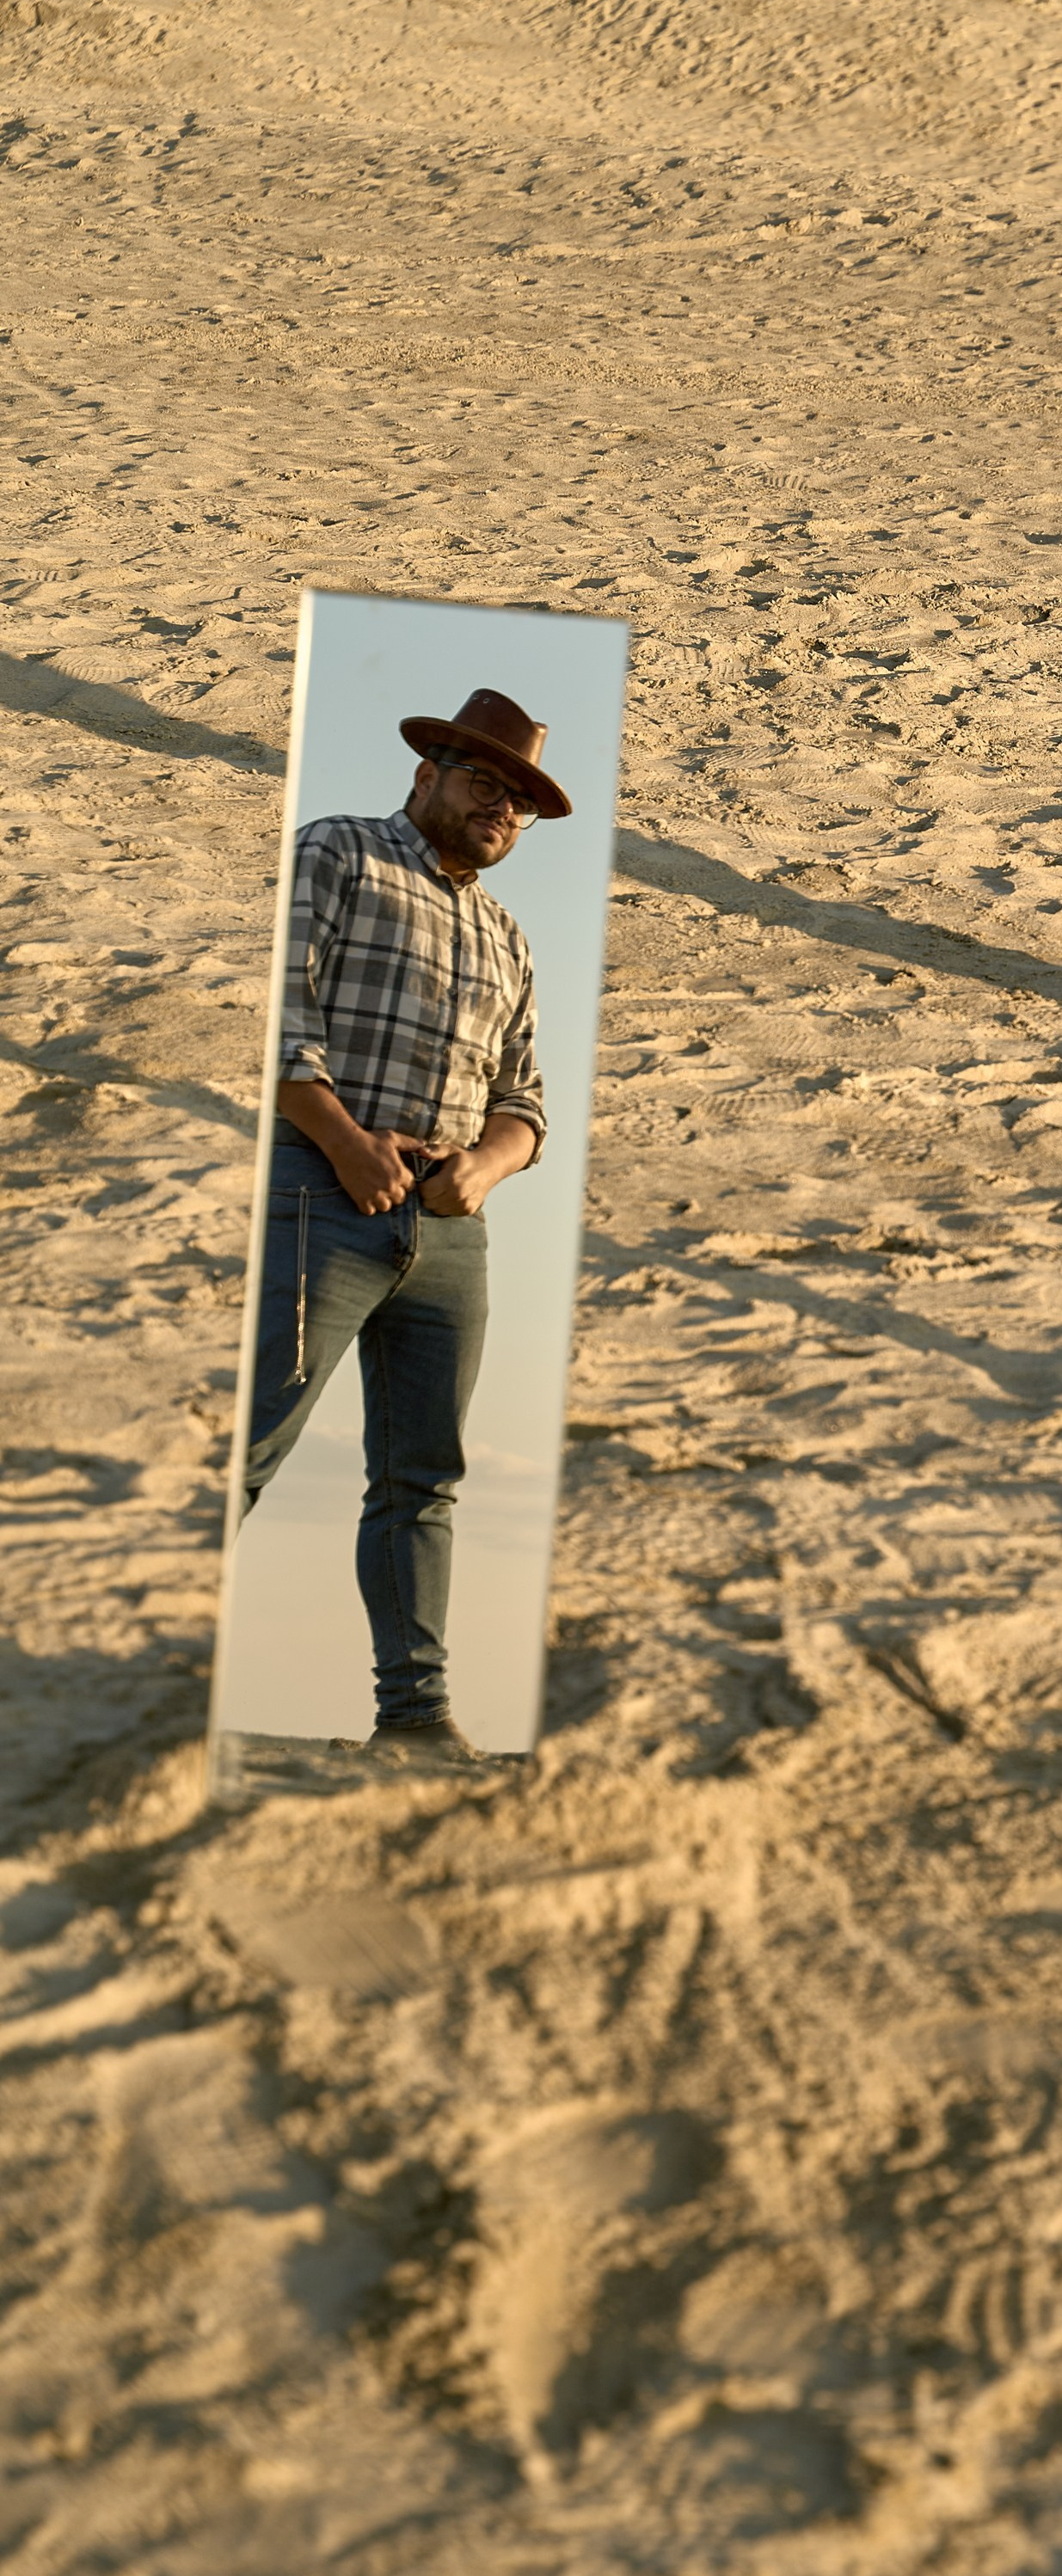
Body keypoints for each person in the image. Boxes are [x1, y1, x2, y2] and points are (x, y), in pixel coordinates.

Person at [240, 688, 569, 1767]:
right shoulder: (337, 852)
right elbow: (275, 1019)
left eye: (520, 800)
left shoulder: (510, 935)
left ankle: (417, 1722)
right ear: (426, 773)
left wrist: (483, 1166)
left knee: (424, 1482)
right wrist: (342, 1143)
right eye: (487, 782)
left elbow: (526, 1102)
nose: (504, 810)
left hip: (448, 1228)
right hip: (320, 1188)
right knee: (251, 1443)